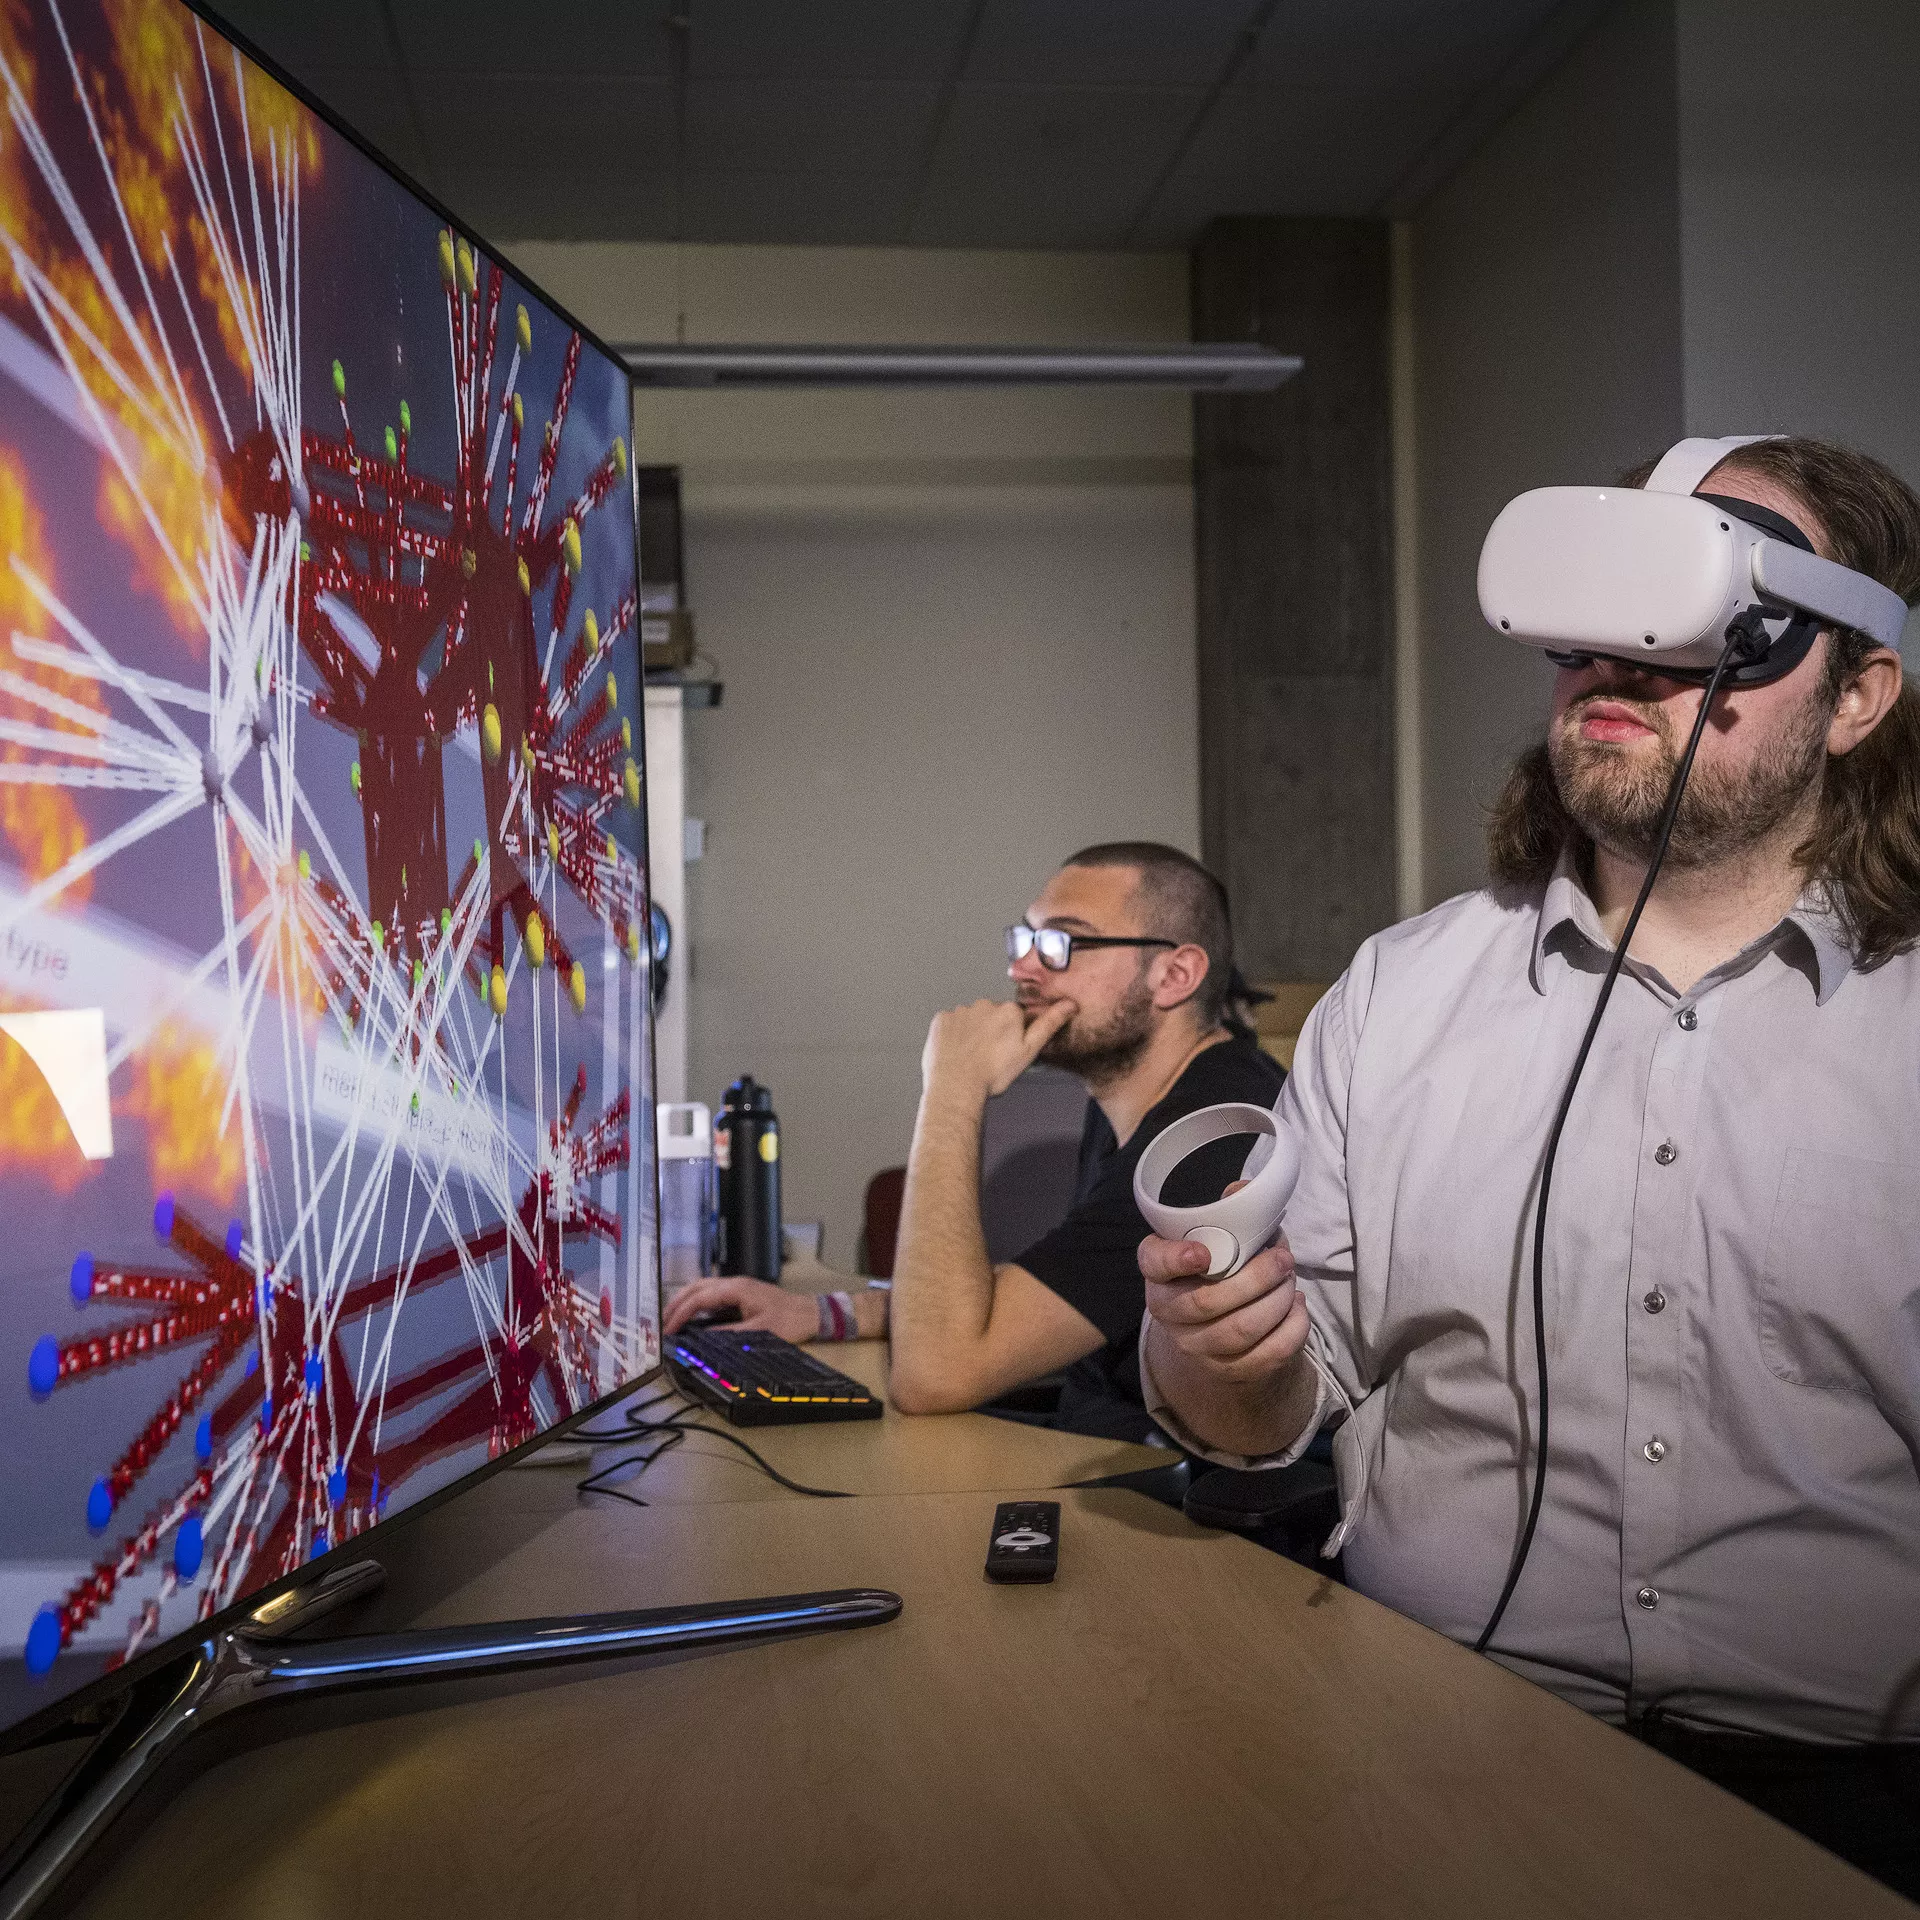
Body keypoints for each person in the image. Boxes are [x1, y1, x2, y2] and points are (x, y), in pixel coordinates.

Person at [1137, 435, 1920, 1898]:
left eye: (1702, 626)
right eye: (1594, 615)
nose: (1620, 661)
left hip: (1854, 1799)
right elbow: (1264, 1409)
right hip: (1426, 1741)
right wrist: (1222, 1360)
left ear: (1857, 692)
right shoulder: (1400, 993)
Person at [664, 842, 1283, 1441]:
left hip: (1168, 1505)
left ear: (1175, 973)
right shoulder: (1136, 1099)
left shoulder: (1210, 1135)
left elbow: (936, 1376)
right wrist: (824, 1314)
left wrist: (952, 1087)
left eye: (1061, 942)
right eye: (1025, 939)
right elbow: (1044, 1295)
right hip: (1092, 1455)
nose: (1022, 968)